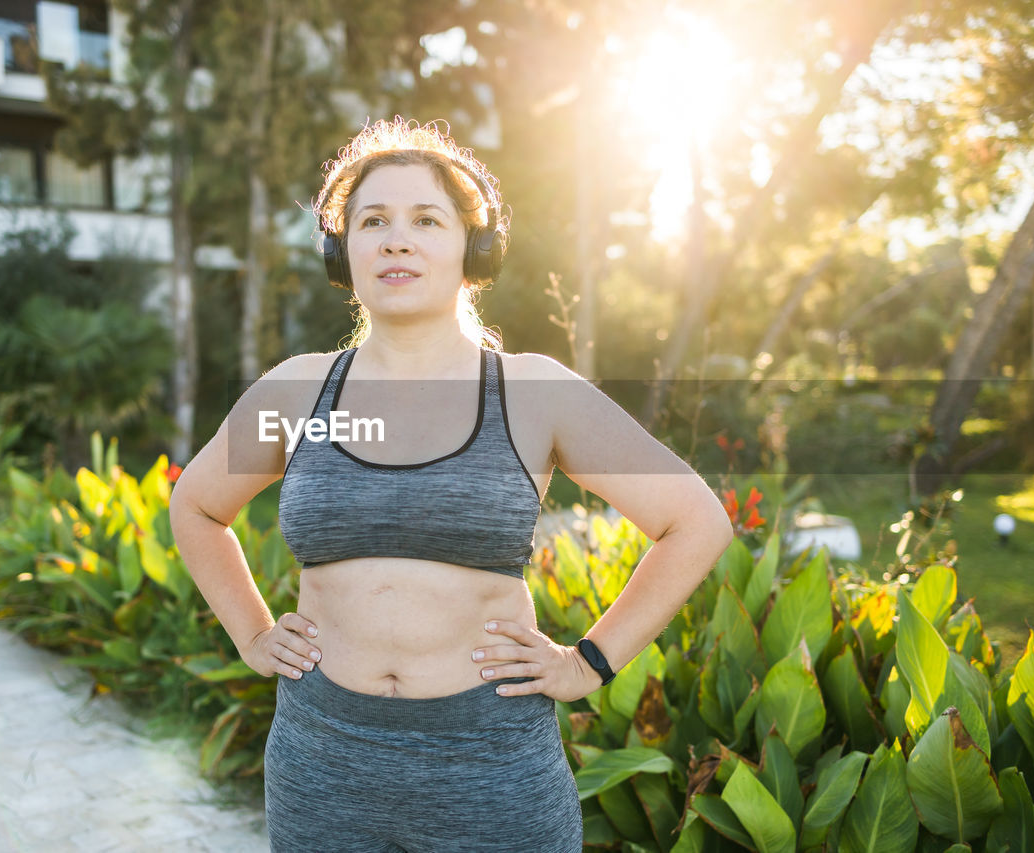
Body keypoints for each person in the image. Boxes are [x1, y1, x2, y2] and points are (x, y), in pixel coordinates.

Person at [167, 117, 734, 852]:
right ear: (345, 252)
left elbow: (694, 519)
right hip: (324, 762)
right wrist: (251, 632)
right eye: (373, 221)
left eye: (426, 220)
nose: (396, 240)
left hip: (491, 766)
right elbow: (198, 505)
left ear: (474, 246)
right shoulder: (294, 394)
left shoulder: (534, 393)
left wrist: (587, 661)